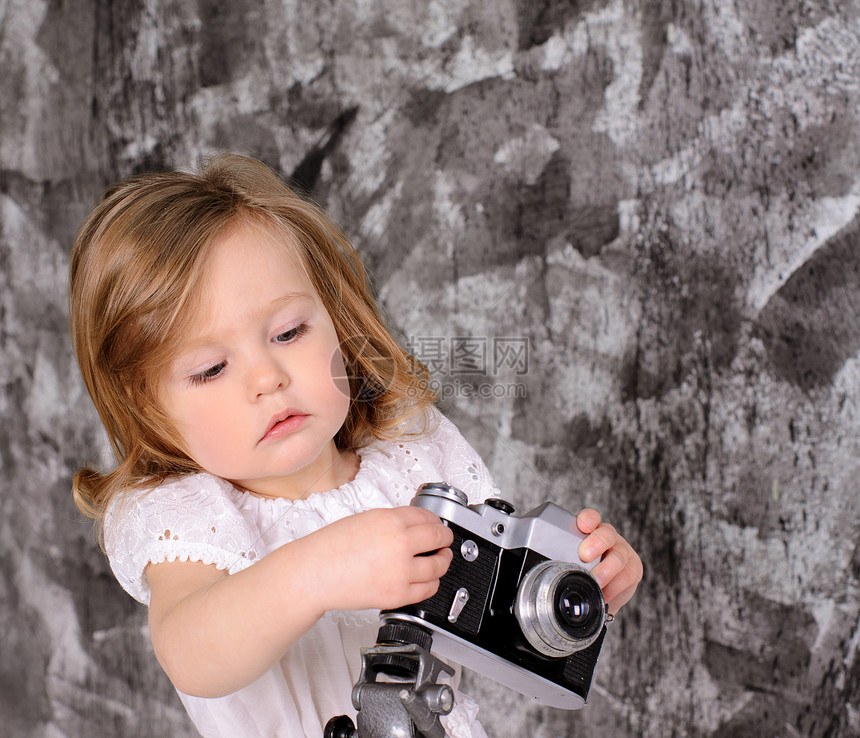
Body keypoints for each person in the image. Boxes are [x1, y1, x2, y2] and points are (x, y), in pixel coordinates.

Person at [69, 153, 643, 737]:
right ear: (147, 405)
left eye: (289, 333)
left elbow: (491, 628)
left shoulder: (413, 463)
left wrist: (571, 596)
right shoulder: (188, 515)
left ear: (336, 321)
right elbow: (190, 652)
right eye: (212, 368)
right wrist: (313, 572)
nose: (267, 378)